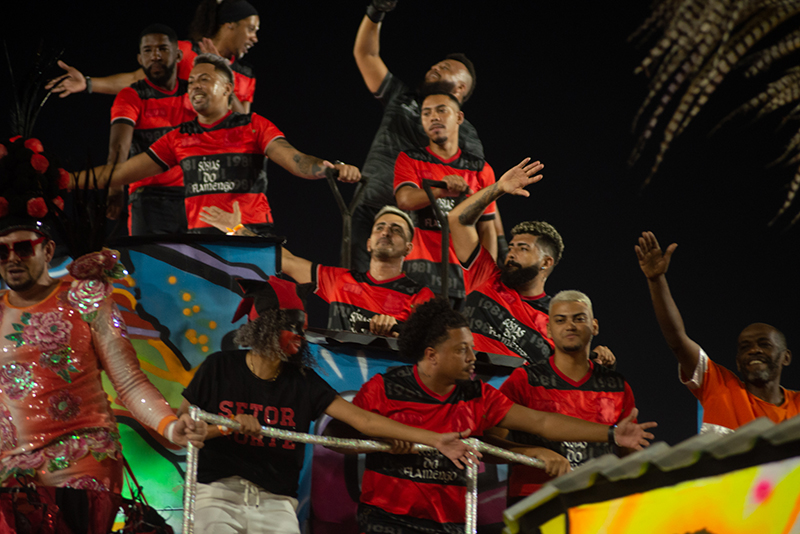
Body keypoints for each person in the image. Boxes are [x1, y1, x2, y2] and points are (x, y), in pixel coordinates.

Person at [179, 277, 476, 534]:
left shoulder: (303, 381)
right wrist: (227, 425)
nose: (300, 335)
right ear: (264, 326)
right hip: (217, 494)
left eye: (303, 327)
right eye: (291, 326)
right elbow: (183, 427)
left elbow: (364, 421)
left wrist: (437, 440)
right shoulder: (219, 367)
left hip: (276, 502)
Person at [339, 298, 655, 533]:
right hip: (386, 521)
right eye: (462, 350)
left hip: (452, 525)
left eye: (472, 348)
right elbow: (337, 439)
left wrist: (612, 433)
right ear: (432, 355)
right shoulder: (384, 387)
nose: (473, 357)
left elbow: (541, 422)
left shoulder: (478, 395)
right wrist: (380, 438)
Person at [0, 138, 204, 497]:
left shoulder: (85, 296)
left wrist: (171, 427)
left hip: (82, 462)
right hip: (12, 473)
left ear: (47, 249)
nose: (12, 259)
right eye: (2, 252)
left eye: (23, 248)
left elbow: (128, 381)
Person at [73, 54, 360, 234]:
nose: (195, 86)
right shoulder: (179, 137)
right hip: (201, 247)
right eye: (191, 81)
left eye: (204, 79)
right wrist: (68, 180)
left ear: (227, 89)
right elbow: (121, 173)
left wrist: (327, 168)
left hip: (251, 239)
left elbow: (295, 160)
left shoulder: (253, 125)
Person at [349, 0, 485, 272]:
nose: (435, 67)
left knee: (406, 291)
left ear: (460, 88)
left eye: (445, 68)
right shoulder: (402, 98)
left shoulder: (465, 132)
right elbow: (366, 55)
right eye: (437, 64)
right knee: (357, 284)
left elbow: (474, 185)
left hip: (419, 219)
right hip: (370, 206)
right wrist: (376, 11)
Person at [635, 231, 798, 435]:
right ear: (738, 362)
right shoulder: (719, 386)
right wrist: (656, 280)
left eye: (764, 344)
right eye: (745, 347)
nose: (754, 350)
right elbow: (677, 341)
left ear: (786, 357)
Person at [200, 203, 435, 335]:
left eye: (396, 230)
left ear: (408, 248)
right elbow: (287, 260)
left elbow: (428, 344)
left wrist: (396, 332)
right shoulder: (339, 280)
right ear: (368, 243)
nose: (386, 232)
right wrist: (237, 230)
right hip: (338, 382)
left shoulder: (420, 296)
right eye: (379, 227)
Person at [495, 290, 638, 506]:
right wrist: (533, 453)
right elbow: (489, 443)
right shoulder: (523, 380)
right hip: (535, 500)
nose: (570, 326)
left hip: (599, 502)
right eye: (560, 320)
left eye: (579, 319)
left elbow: (630, 456)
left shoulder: (617, 385)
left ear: (595, 326)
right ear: (548, 329)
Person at [47, 0, 259, 113]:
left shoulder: (246, 74)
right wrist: (88, 83)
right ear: (229, 25)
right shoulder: (186, 52)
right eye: (251, 29)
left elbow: (244, 122)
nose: (255, 38)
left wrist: (221, 71)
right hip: (179, 160)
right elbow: (136, 79)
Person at [394, 90, 497, 306]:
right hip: (417, 276)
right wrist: (440, 191)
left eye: (441, 110)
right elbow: (404, 200)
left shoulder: (480, 169)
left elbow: (487, 229)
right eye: (426, 113)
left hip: (463, 280)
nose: (434, 117)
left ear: (459, 117)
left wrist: (485, 283)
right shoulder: (410, 158)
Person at [108, 24, 196, 235]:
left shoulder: (194, 92)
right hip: (148, 197)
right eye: (148, 51)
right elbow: (119, 147)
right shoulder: (131, 96)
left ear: (178, 55)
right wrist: (115, 189)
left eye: (162, 49)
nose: (155, 56)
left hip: (193, 195)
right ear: (140, 59)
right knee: (150, 257)